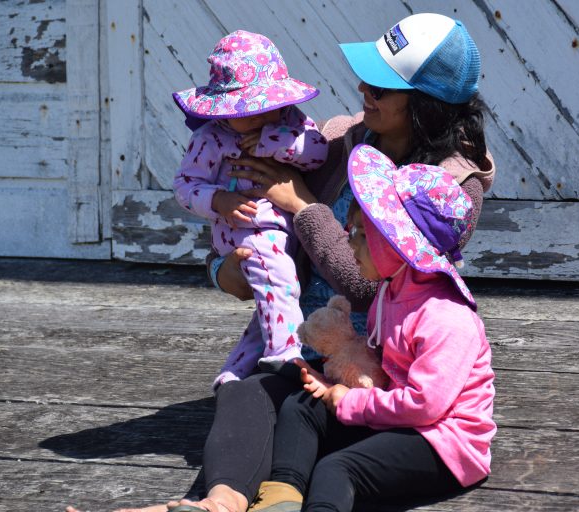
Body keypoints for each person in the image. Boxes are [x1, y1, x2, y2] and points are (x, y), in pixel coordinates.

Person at [66, 12, 496, 512]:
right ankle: (216, 503)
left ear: (426, 106)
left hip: (380, 370)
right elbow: (245, 217)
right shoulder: (337, 140)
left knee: (300, 417)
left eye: (381, 87)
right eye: (367, 77)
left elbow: (373, 288)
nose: (363, 90)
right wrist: (224, 269)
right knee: (245, 396)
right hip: (300, 340)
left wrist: (304, 206)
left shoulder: (449, 189)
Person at [248, 144, 496, 512]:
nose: (351, 242)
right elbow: (382, 367)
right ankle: (282, 497)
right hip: (398, 416)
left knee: (338, 469)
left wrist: (354, 402)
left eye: (364, 235)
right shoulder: (390, 291)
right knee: (304, 404)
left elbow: (425, 405)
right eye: (352, 231)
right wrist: (334, 387)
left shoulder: (446, 316)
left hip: (445, 441)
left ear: (400, 244)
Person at [171, 30, 329, 389]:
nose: (260, 115)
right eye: (248, 110)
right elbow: (184, 185)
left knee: (269, 307)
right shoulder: (210, 139)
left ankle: (234, 375)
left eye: (266, 106)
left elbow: (317, 150)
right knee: (278, 283)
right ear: (222, 109)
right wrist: (216, 201)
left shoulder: (287, 121)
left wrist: (275, 142)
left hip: (285, 234)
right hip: (245, 230)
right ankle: (286, 351)